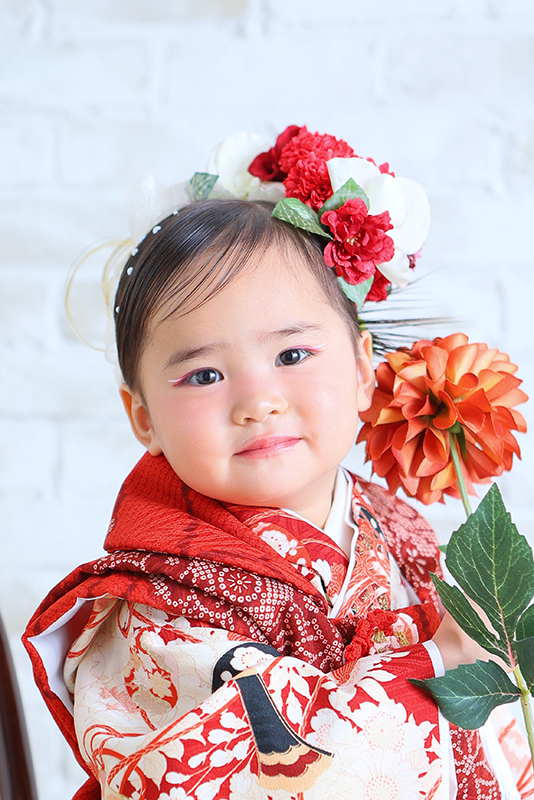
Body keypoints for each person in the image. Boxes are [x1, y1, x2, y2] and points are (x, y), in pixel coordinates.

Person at [23, 128, 531, 800]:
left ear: (360, 367)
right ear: (142, 417)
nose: (257, 401)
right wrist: (437, 665)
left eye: (292, 356)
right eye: (203, 375)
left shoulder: (394, 527)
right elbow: (227, 776)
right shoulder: (154, 609)